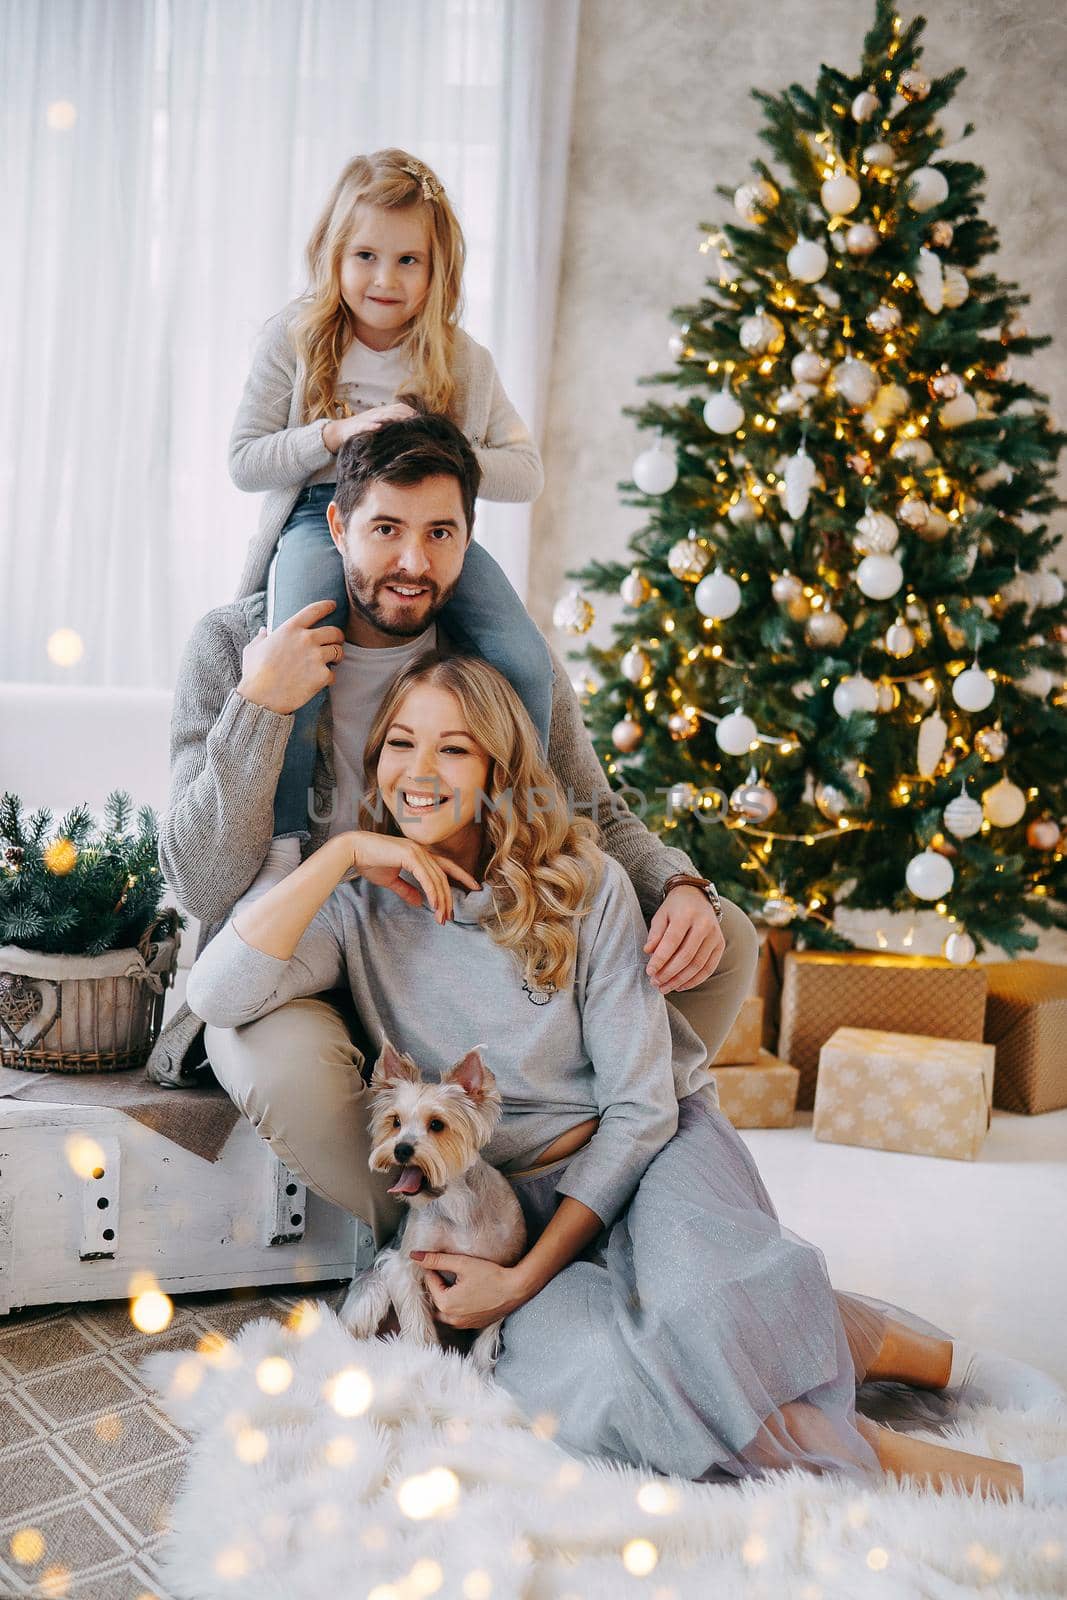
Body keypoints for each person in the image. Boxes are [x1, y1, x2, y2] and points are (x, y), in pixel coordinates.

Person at [186, 652, 1066, 1503]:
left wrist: (525, 1280)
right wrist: (339, 858)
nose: (419, 770)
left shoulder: (584, 883)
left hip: (650, 1157)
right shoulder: (355, 907)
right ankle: (950, 1461)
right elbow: (215, 990)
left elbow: (642, 1107)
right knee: (614, 1385)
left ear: (497, 766)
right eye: (399, 744)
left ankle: (967, 1394)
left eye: (453, 747)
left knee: (709, 1311)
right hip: (501, 1204)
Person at [151, 413, 755, 1257]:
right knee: (278, 1065)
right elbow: (196, 884)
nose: (412, 562)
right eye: (386, 530)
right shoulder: (232, 645)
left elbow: (587, 807)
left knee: (720, 934)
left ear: (469, 539)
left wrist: (682, 885)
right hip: (305, 944)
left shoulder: (497, 659)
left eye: (440, 534)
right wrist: (263, 706)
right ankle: (450, 1243)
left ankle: (614, 1142)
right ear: (337, 527)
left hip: (453, 948)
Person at [229, 147, 548, 861]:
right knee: (301, 659)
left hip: (432, 531)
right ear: (332, 254)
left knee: (525, 658)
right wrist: (334, 434)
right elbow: (245, 460)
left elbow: (524, 472)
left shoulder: (461, 359)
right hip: (321, 518)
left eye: (410, 260)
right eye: (366, 255)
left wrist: (441, 446)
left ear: (440, 271)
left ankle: (522, 834)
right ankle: (285, 844)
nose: (385, 278)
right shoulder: (295, 340)